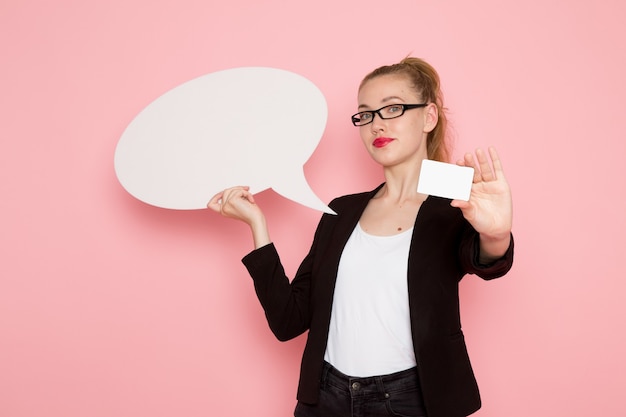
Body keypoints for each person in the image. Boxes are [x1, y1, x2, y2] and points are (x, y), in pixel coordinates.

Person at [208, 57, 514, 417]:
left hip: (413, 400)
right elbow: (288, 321)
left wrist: (497, 234)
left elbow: (487, 260)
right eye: (366, 114)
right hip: (326, 398)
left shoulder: (456, 203)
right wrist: (257, 226)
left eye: (393, 108)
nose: (376, 124)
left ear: (428, 117)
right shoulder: (343, 211)